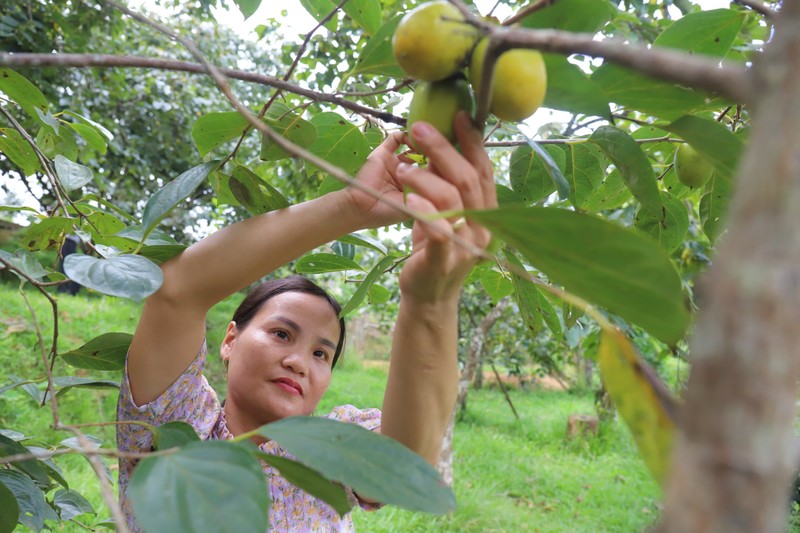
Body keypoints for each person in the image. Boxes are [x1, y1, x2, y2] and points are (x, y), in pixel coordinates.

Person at [116, 111, 497, 532]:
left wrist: (430, 300)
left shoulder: (327, 453)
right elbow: (177, 293)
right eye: (281, 333)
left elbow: (404, 463)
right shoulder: (175, 426)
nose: (299, 362)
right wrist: (352, 205)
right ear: (230, 339)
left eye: (321, 353)